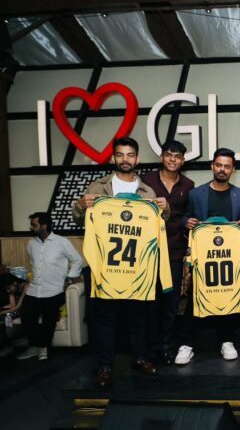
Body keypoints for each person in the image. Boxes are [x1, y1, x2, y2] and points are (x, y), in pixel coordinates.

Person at [72, 137, 167, 388]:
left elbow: (158, 225)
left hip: (137, 267)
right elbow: (80, 219)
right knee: (105, 318)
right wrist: (80, 205)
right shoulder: (98, 186)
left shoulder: (147, 191)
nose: (125, 159)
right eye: (121, 154)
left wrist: (164, 209)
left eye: (130, 155)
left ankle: (139, 357)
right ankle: (105, 365)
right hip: (106, 267)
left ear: (137, 159)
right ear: (114, 157)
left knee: (138, 317)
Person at [177, 147, 240, 364]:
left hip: (229, 259)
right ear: (212, 166)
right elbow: (184, 217)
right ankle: (187, 343)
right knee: (194, 298)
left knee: (228, 296)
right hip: (204, 259)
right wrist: (186, 222)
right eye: (218, 165)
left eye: (227, 166)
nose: (222, 169)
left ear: (233, 170)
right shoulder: (196, 194)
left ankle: (227, 340)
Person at [140, 140, 194, 365]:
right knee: (149, 302)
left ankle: (165, 347)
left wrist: (186, 221)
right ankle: (149, 349)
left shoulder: (188, 185)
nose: (173, 159)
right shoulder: (145, 180)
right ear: (162, 156)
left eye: (178, 156)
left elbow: (186, 215)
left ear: (183, 161)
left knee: (171, 303)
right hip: (148, 250)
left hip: (174, 250)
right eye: (169, 155)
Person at [16, 213, 83, 361]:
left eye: (34, 225)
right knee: (26, 316)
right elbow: (34, 265)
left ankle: (43, 347)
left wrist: (69, 278)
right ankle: (34, 346)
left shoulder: (62, 242)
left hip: (54, 290)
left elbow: (78, 260)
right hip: (34, 289)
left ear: (44, 226)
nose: (31, 227)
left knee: (49, 319)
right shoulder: (31, 244)